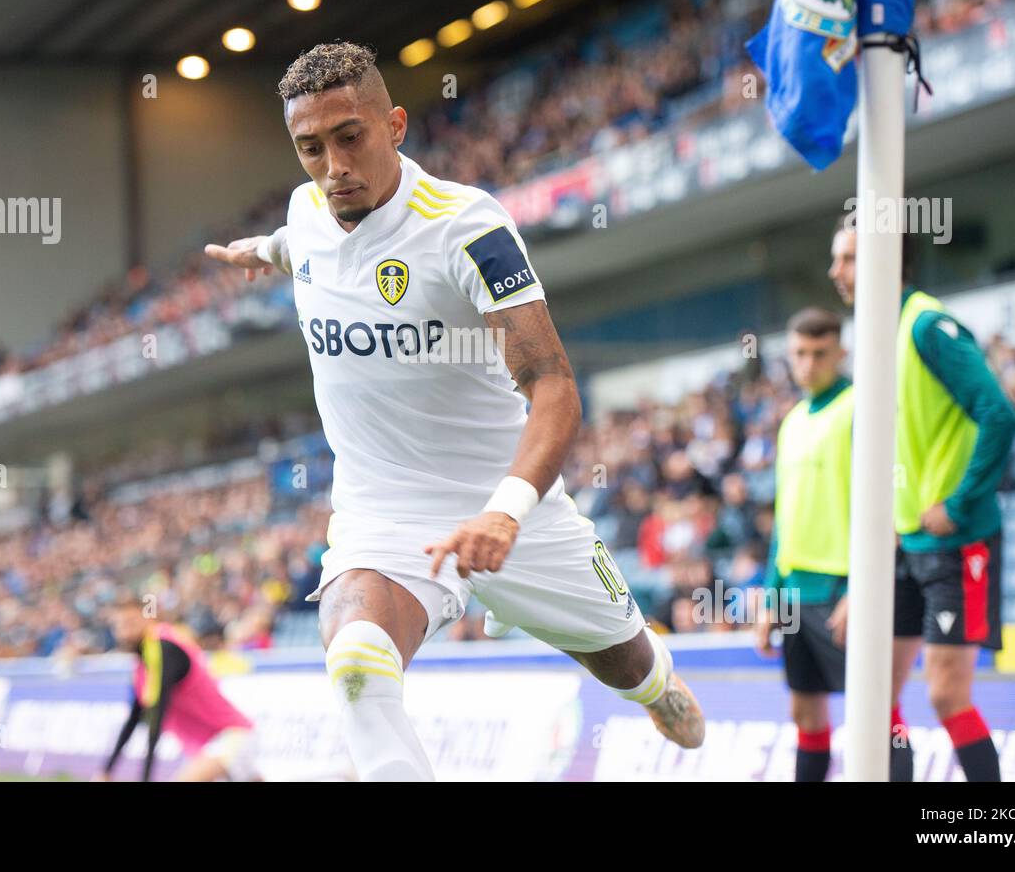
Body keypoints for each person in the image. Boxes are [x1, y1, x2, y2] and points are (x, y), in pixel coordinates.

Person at [205, 41, 704, 781]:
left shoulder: (467, 226)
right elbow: (298, 244)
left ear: (396, 124)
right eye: (310, 148)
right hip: (384, 512)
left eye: (351, 137)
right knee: (355, 661)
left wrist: (505, 509)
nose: (333, 165)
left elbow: (554, 385)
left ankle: (656, 679)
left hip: (508, 502)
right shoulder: (307, 212)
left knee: (623, 659)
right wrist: (262, 249)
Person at [829, 218, 1015, 782]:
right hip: (908, 545)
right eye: (837, 258)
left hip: (959, 543)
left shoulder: (926, 325)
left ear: (888, 259)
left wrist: (959, 504)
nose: (834, 271)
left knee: (945, 696)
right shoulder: (876, 334)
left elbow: (1000, 413)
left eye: (848, 258)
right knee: (873, 691)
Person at [754, 308, 854, 781]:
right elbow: (784, 520)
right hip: (794, 592)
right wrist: (772, 596)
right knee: (805, 714)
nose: (809, 364)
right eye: (799, 354)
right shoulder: (791, 422)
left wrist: (863, 589)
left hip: (841, 589)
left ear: (841, 353)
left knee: (878, 715)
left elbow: (885, 504)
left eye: (820, 353)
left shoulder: (859, 407)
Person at [101, 601, 260, 782]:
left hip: (231, 736)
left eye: (131, 623)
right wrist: (106, 771)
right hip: (208, 746)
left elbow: (157, 717)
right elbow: (134, 719)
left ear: (148, 619)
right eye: (119, 625)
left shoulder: (163, 648)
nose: (124, 632)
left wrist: (145, 778)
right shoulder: (141, 665)